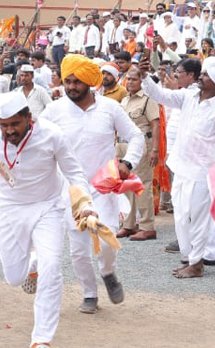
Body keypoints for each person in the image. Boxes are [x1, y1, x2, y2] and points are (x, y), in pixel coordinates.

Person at [0, 90, 93, 348]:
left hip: (47, 208)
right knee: (14, 278)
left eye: (15, 124)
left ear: (30, 118)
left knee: (53, 269)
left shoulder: (52, 135)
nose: (9, 131)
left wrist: (85, 203)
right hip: (8, 211)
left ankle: (41, 340)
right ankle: (32, 264)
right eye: (4, 125)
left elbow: (75, 173)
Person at [41, 54, 144, 313]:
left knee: (108, 242)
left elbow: (136, 136)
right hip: (71, 191)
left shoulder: (110, 108)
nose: (72, 86)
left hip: (103, 188)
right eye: (68, 81)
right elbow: (36, 140)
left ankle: (108, 272)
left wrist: (128, 163)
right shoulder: (54, 111)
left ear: (89, 81)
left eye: (77, 81)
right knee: (78, 251)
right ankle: (89, 294)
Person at [137, 55, 215, 277]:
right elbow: (160, 95)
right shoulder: (189, 96)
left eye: (207, 75)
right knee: (181, 216)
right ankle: (189, 257)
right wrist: (144, 77)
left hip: (204, 170)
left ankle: (197, 263)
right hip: (181, 165)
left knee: (197, 218)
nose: (201, 77)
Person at [118, 69, 160, 241]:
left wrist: (155, 150)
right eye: (128, 79)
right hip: (123, 145)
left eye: (134, 79)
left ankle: (147, 226)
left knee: (142, 185)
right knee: (125, 185)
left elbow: (155, 125)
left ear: (142, 82)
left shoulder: (148, 99)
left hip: (142, 144)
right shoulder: (124, 99)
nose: (130, 82)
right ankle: (129, 225)